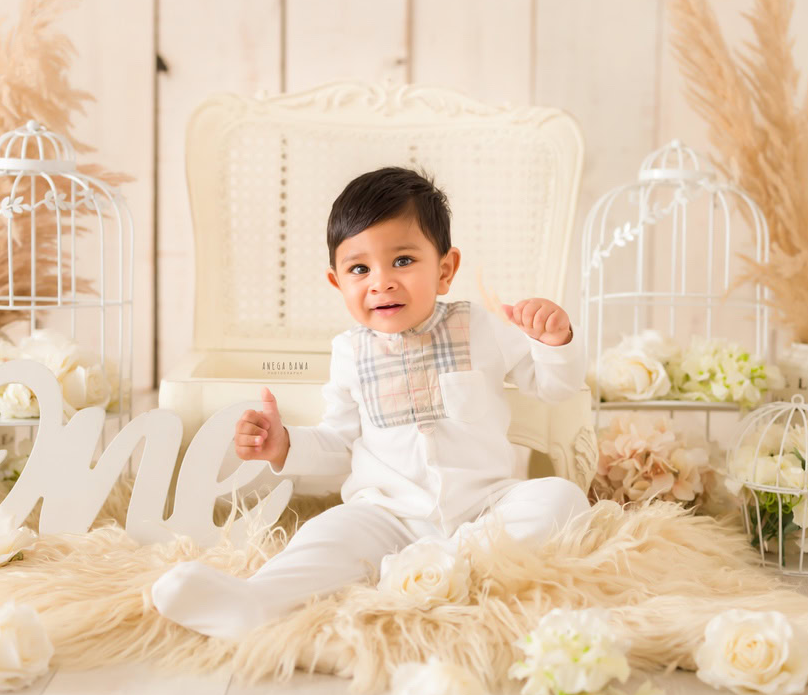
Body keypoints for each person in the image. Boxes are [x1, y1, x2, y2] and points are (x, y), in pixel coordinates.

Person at [151, 166, 589, 639]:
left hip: (482, 510)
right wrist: (283, 445)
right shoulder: (350, 353)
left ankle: (447, 568)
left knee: (560, 498)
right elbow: (339, 445)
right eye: (360, 268)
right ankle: (256, 600)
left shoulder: (482, 328)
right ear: (338, 282)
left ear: (445, 270)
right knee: (326, 536)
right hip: (386, 517)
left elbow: (555, 388)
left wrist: (554, 340)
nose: (381, 282)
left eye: (402, 260)